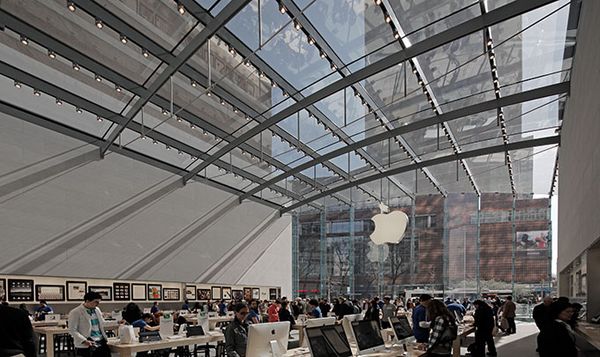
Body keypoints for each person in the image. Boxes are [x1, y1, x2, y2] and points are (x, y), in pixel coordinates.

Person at [68, 291, 111, 357]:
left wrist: (117, 322)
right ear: (87, 301)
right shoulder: (75, 312)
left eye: (99, 302)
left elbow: (102, 323)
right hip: (87, 343)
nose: (97, 304)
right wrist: (84, 341)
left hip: (100, 341)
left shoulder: (97, 310)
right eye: (96, 302)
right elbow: (72, 330)